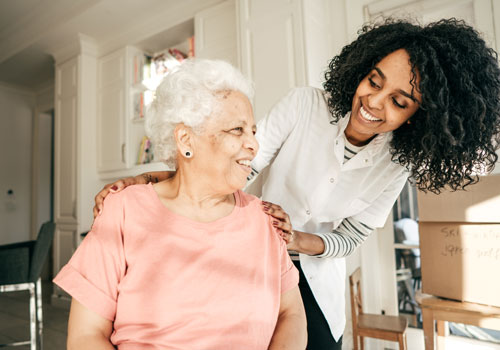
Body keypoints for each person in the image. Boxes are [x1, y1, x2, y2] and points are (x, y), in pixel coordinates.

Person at [93, 19, 500, 349]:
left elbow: (353, 235)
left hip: (318, 278)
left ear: (418, 116)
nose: (374, 102)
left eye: (399, 101)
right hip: (252, 259)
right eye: (374, 81)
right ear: (361, 71)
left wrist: (299, 239)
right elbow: (242, 164)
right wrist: (162, 180)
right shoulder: (305, 105)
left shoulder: (395, 164)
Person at [54, 59, 307, 350]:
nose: (254, 145)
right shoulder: (122, 210)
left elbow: (292, 314)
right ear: (186, 139)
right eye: (237, 130)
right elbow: (86, 335)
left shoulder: (265, 219)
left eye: (253, 131)